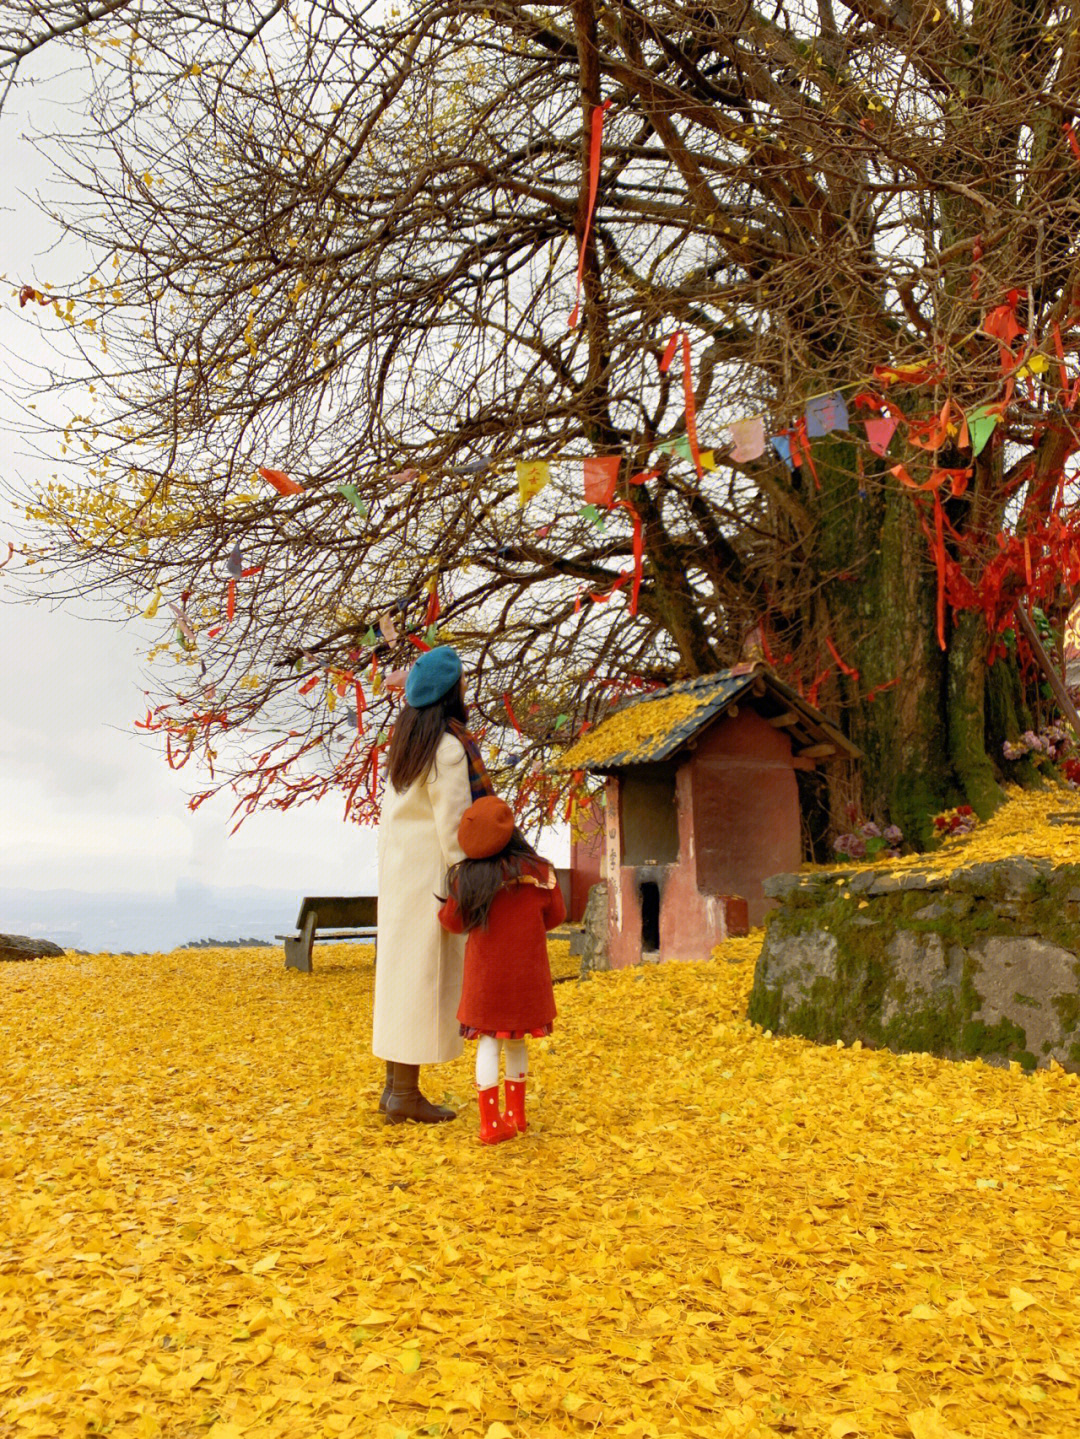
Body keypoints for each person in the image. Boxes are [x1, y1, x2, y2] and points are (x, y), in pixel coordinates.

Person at [373, 646, 495, 1123]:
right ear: (452, 691)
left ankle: (393, 1088)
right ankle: (404, 1093)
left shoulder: (406, 742)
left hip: (400, 876)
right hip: (430, 881)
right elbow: (454, 828)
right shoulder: (446, 747)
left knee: (400, 981)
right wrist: (472, 876)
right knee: (422, 983)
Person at [437, 796, 565, 1144]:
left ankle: (490, 1124)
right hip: (527, 978)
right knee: (517, 1042)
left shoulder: (469, 878)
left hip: (485, 980)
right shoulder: (540, 872)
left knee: (489, 1045)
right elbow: (555, 917)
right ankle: (517, 1116)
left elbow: (452, 921)